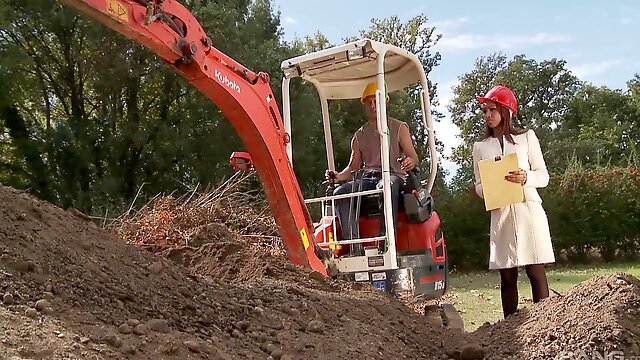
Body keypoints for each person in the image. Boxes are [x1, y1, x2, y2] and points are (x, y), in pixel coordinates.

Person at [471, 84, 555, 318]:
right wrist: (485, 192)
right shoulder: (480, 147)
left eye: (492, 110)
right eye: (485, 110)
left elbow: (544, 176)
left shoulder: (526, 137)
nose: (487, 115)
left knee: (535, 270)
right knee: (507, 274)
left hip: (528, 209)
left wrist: (526, 177)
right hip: (501, 212)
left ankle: (545, 322)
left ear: (505, 111)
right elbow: (478, 184)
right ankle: (509, 329)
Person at [325, 81, 419, 253]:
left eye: (376, 100)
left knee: (386, 187)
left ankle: (386, 243)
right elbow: (353, 168)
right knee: (339, 194)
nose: (373, 105)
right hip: (368, 178)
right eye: (369, 102)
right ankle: (354, 245)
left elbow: (413, 156)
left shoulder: (399, 127)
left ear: (386, 101)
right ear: (364, 105)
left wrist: (410, 161)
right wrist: (337, 176)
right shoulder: (359, 135)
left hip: (393, 176)